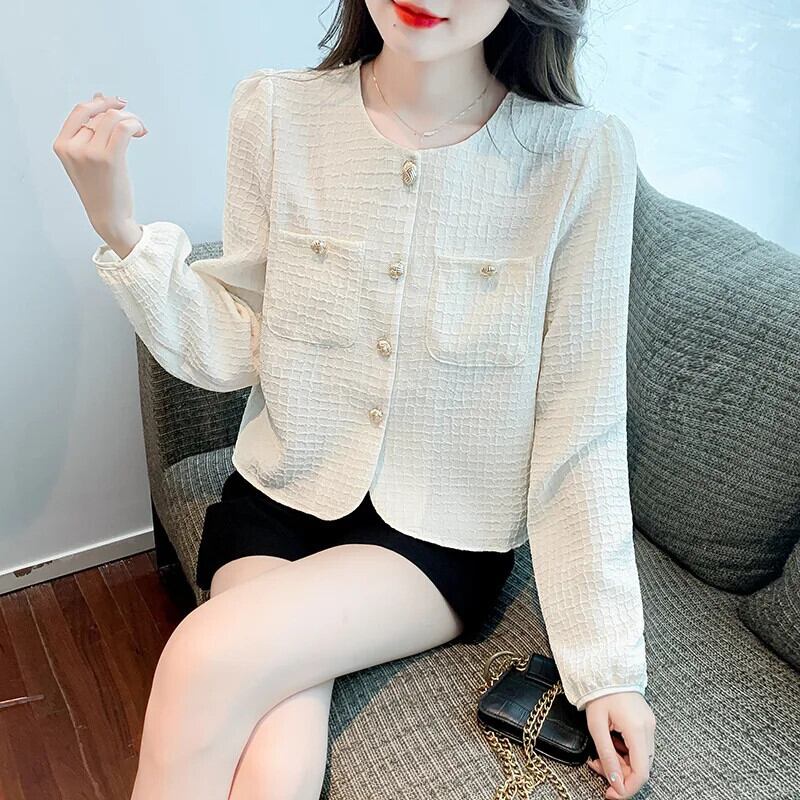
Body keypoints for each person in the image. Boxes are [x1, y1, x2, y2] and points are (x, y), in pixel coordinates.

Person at [53, 0, 657, 798]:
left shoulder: (580, 157)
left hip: (438, 536)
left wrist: (607, 668)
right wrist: (121, 228)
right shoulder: (276, 111)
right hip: (279, 495)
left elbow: (581, 423)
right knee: (275, 748)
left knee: (203, 656)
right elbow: (240, 340)